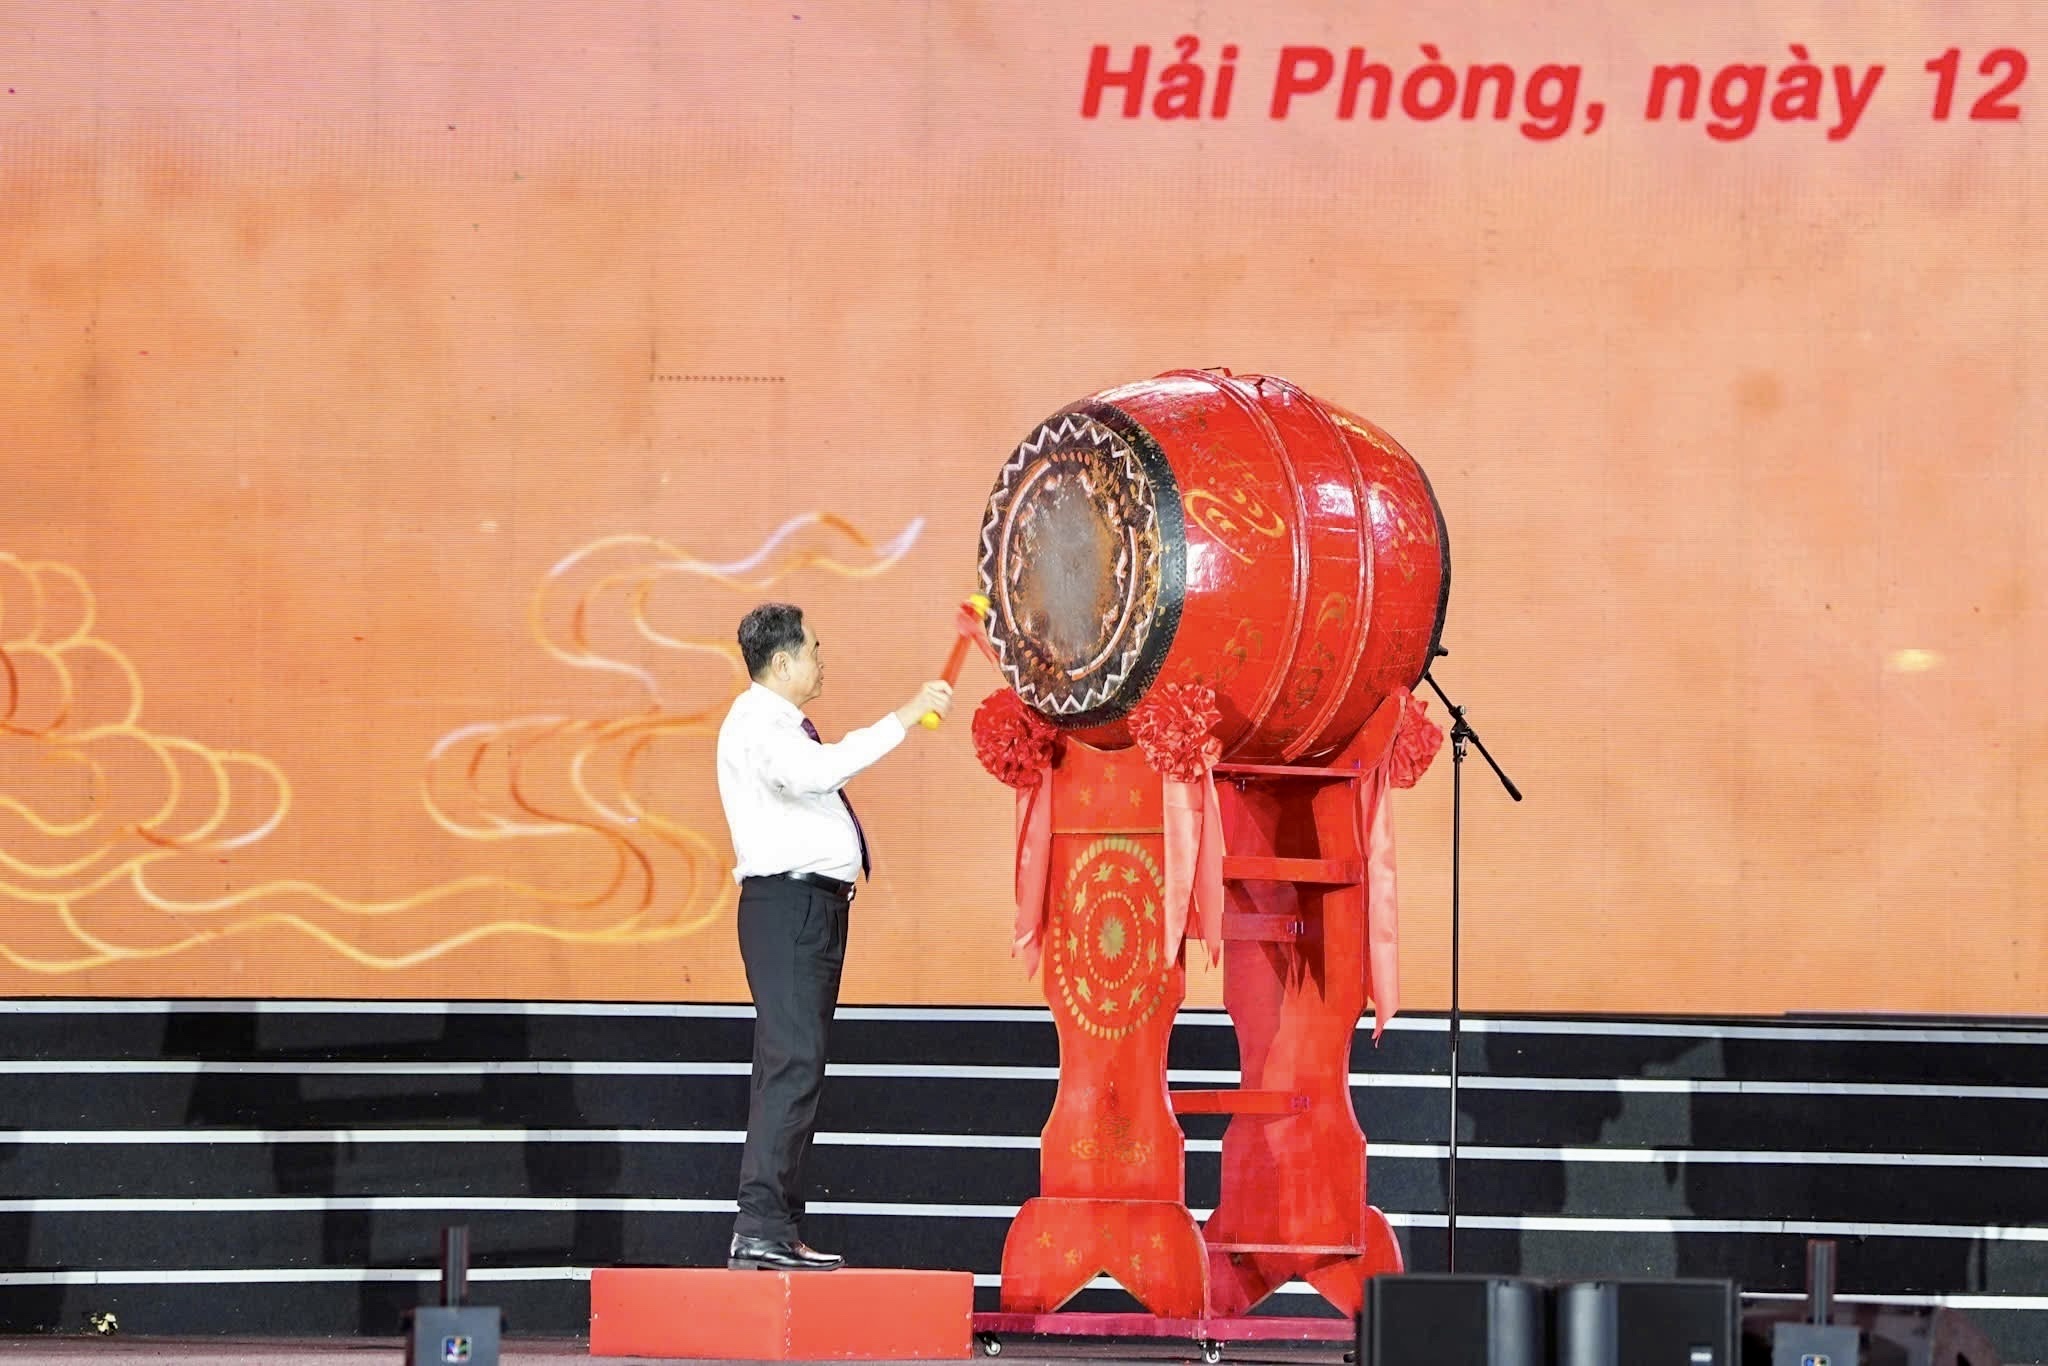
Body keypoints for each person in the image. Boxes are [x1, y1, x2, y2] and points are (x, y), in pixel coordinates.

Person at [714, 601, 952, 1271]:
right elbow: (819, 773)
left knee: (794, 1066)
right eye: (814, 649)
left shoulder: (778, 726)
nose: (823, 660)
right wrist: (905, 716)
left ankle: (776, 1228)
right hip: (788, 909)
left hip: (805, 910)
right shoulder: (758, 724)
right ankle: (762, 1226)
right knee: (792, 1065)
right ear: (782, 661)